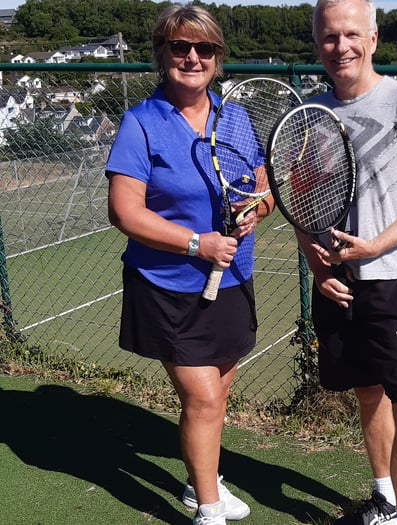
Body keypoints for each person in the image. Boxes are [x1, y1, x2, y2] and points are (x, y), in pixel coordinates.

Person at [106, 5, 272, 524]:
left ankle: (200, 478)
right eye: (180, 46)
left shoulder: (235, 118)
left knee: (218, 391)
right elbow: (123, 211)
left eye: (205, 49)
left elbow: (263, 191)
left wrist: (253, 212)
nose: (192, 57)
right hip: (167, 284)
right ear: (163, 54)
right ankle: (207, 509)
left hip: (232, 280)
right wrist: (195, 244)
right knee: (202, 396)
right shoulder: (141, 124)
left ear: (218, 58)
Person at [298, 1, 397, 524]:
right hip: (339, 285)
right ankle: (385, 500)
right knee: (368, 394)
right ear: (316, 42)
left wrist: (374, 247)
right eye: (328, 37)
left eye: (350, 35)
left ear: (373, 38)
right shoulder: (311, 114)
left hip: (396, 282)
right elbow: (301, 200)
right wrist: (318, 267)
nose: (340, 46)